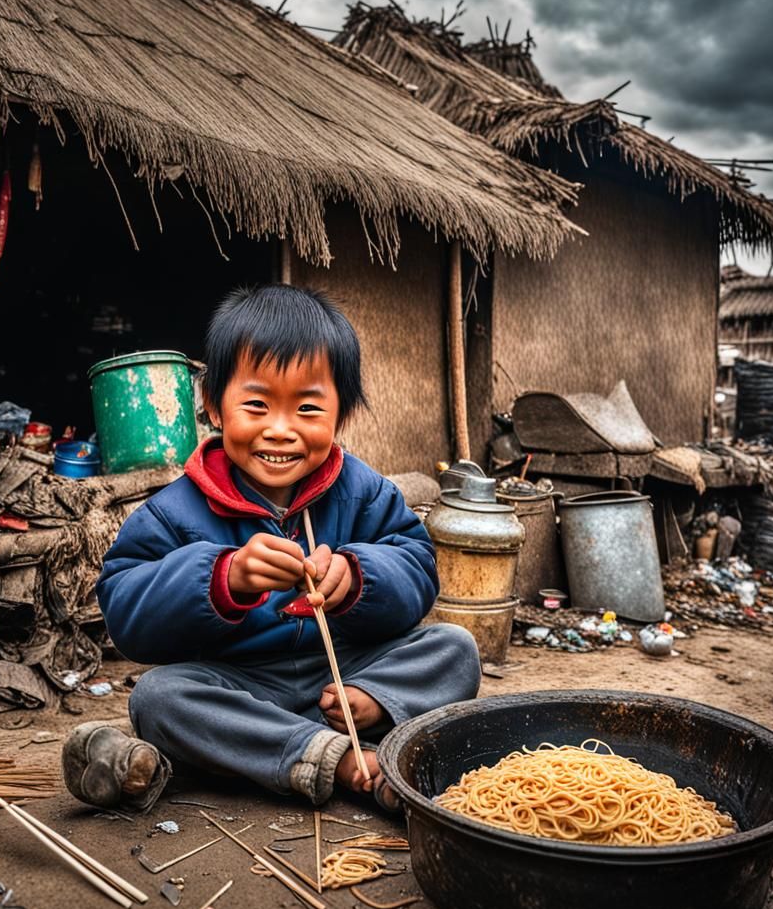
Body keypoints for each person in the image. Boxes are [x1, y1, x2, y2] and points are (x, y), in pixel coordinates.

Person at [62, 285, 481, 812]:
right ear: (213, 405)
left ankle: (363, 715)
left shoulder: (366, 490)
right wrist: (223, 578)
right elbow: (125, 611)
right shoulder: (175, 509)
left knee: (453, 647)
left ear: (341, 415)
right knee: (159, 698)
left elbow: (418, 569)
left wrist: (358, 576)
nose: (280, 431)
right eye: (256, 405)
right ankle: (340, 757)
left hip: (347, 674)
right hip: (239, 686)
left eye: (307, 408)